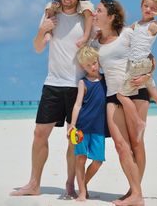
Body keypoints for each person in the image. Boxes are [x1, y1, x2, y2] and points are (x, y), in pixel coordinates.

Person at [10, 0, 86, 198]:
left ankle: (70, 184)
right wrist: (42, 29)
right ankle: (34, 183)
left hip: (78, 86)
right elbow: (37, 47)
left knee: (74, 137)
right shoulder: (51, 17)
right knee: (39, 133)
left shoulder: (85, 20)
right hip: (53, 83)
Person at [92, 0, 152, 206]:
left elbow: (150, 58)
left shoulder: (127, 34)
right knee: (120, 145)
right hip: (112, 95)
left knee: (136, 144)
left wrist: (146, 76)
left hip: (136, 91)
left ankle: (135, 193)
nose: (94, 14)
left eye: (98, 11)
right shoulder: (94, 42)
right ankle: (136, 193)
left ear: (111, 16)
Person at [117, 0, 157, 134]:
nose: (148, 9)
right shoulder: (137, 24)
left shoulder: (153, 24)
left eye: (153, 8)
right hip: (143, 63)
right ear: (141, 6)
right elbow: (124, 32)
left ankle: (138, 122)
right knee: (154, 93)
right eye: (146, 6)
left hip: (139, 65)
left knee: (121, 95)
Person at [67, 46, 107, 201]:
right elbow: (77, 105)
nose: (93, 67)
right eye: (89, 65)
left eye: (95, 63)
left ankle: (83, 184)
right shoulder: (83, 83)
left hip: (99, 128)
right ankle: (82, 192)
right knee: (81, 158)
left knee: (98, 161)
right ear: (83, 67)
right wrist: (72, 124)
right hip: (82, 127)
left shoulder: (106, 80)